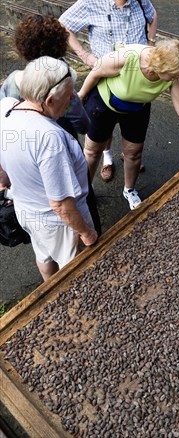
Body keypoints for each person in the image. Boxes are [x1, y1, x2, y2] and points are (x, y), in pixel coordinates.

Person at [78, 39, 179, 210]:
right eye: (172, 75)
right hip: (104, 101)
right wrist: (81, 97)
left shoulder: (174, 75)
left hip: (137, 106)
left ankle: (129, 190)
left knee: (133, 153)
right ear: (159, 66)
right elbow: (96, 71)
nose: (176, 78)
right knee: (92, 151)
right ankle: (85, 193)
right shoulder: (128, 58)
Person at [59, 0, 157, 181]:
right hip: (103, 79)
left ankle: (128, 158)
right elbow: (63, 25)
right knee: (97, 137)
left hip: (136, 80)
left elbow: (153, 16)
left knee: (133, 136)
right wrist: (84, 55)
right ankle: (107, 158)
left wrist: (151, 43)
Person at [0, 15, 101, 236]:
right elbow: (83, 125)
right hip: (59, 153)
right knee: (76, 202)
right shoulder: (61, 85)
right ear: (58, 46)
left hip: (23, 155)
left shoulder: (11, 81)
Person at [0, 57, 98, 281]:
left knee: (43, 255)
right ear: (50, 99)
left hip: (26, 210)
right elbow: (61, 204)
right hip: (58, 224)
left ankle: (48, 288)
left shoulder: (6, 108)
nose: (73, 98)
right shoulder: (48, 137)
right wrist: (86, 233)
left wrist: (4, 180)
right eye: (69, 95)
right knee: (78, 272)